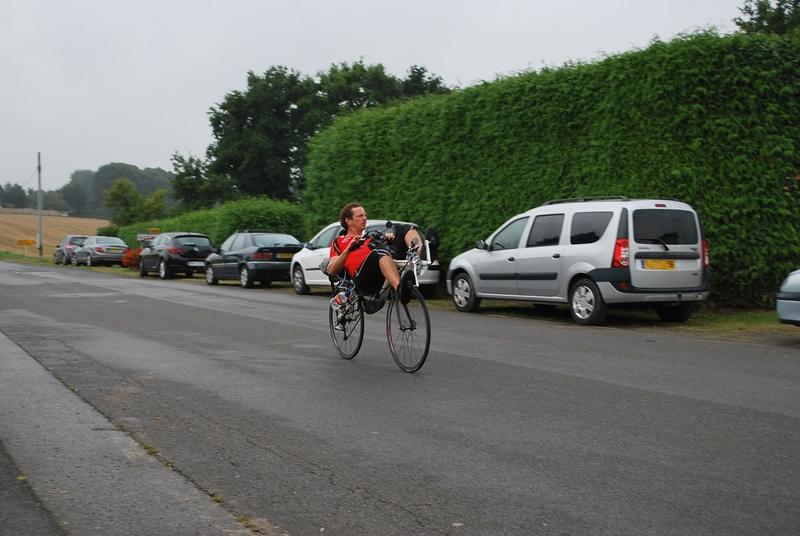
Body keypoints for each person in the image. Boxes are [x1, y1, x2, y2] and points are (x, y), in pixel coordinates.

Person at [326, 202, 422, 303]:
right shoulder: (339, 241)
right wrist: (348, 250)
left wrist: (389, 240)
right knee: (379, 252)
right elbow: (331, 270)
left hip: (383, 268)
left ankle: (415, 256)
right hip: (363, 278)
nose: (364, 218)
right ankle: (400, 289)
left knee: (405, 228)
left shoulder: (370, 237)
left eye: (365, 215)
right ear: (348, 220)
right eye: (360, 216)